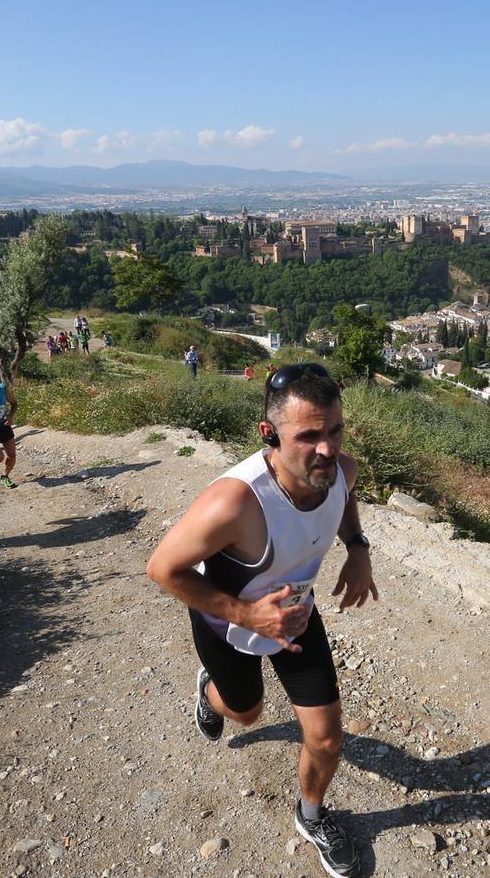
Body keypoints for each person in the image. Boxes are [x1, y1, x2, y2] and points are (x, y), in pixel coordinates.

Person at [146, 363, 376, 878]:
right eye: (309, 436)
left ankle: (311, 816)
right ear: (268, 435)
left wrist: (357, 548)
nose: (327, 448)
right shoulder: (235, 501)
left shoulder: (343, 470)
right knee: (245, 713)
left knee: (326, 737)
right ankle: (211, 689)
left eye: (335, 430)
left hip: (296, 617)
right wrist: (247, 613)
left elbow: (344, 498)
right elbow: (162, 568)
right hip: (228, 625)